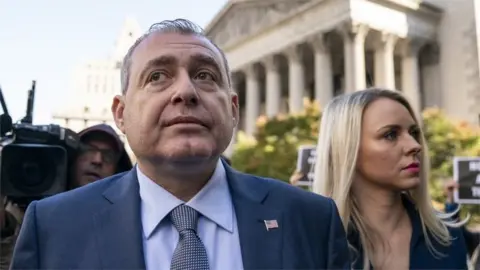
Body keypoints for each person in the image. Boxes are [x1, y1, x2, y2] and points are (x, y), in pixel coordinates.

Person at [10, 19, 350, 270]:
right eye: (157, 76)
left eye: (205, 75)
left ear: (233, 110)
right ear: (122, 113)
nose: (185, 91)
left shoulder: (312, 220)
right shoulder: (53, 228)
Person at [313, 88, 468, 269]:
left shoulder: (447, 237)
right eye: (390, 135)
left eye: (414, 133)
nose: (415, 145)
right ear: (347, 149)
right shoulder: (314, 242)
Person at [1, 123, 132, 270]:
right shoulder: (35, 212)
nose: (97, 160)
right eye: (88, 150)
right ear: (72, 158)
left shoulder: (127, 220)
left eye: (108, 156)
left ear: (118, 169)